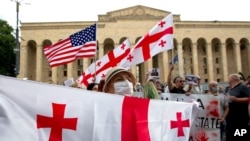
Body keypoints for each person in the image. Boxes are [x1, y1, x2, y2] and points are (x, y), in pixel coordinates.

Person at [225, 73, 250, 141]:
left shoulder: (243, 87)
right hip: (231, 117)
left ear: (233, 79)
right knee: (230, 134)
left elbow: (248, 98)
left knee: (240, 135)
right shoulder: (229, 88)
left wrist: (237, 99)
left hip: (241, 117)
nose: (228, 80)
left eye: (229, 78)